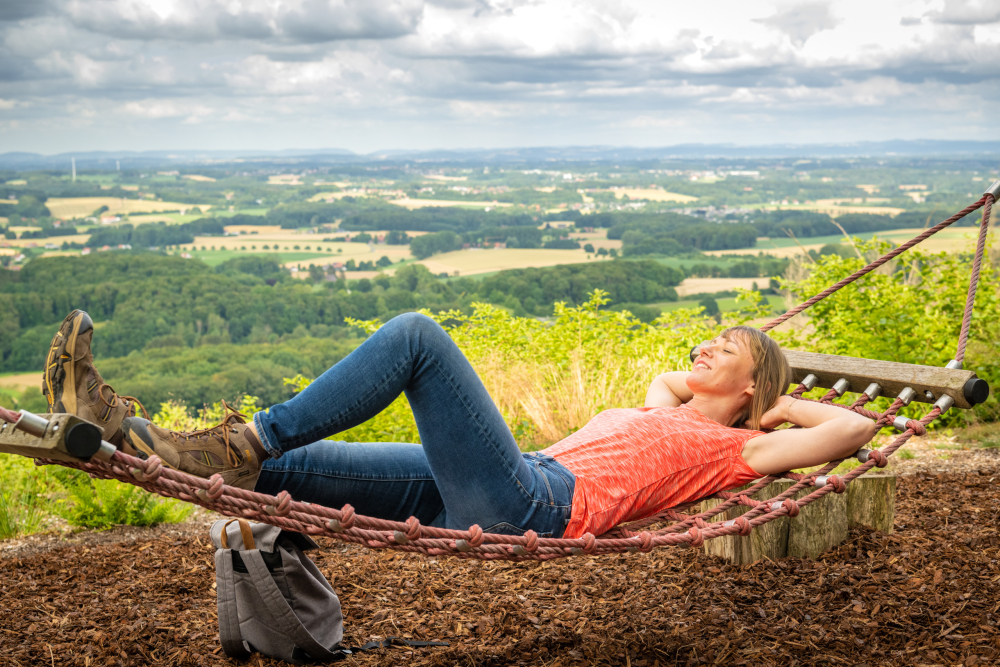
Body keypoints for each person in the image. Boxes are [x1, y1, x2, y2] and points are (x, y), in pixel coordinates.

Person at [43, 310, 875, 540]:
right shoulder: (667, 405)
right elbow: (665, 379)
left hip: (533, 504)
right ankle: (128, 432)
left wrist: (778, 406)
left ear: (755, 384)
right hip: (506, 478)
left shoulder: (745, 445)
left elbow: (852, 430)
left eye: (728, 347)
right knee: (294, 468)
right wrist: (722, 379)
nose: (705, 345)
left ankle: (240, 438)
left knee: (417, 337)